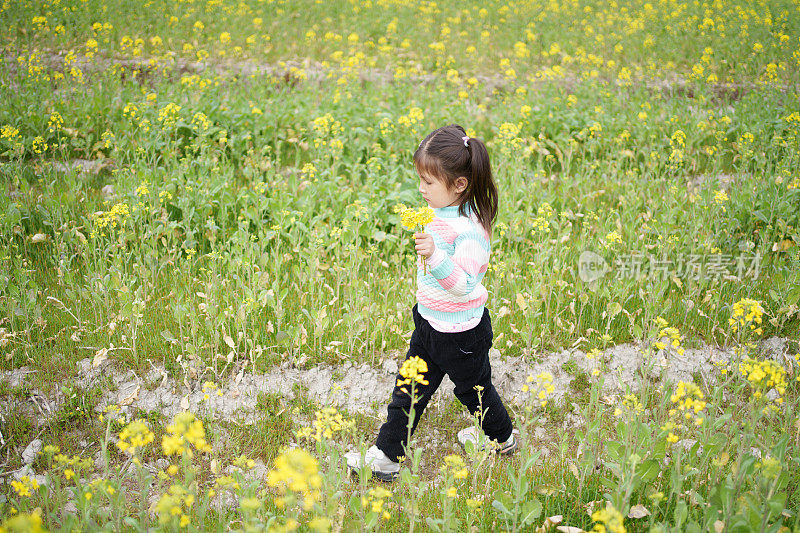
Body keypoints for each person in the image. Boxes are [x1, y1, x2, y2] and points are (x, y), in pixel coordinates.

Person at [344, 124, 516, 481]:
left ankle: (502, 438)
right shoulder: (439, 213)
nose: (420, 189)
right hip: (429, 324)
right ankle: (387, 458)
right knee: (408, 391)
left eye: (428, 182)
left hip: (462, 335)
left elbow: (465, 284)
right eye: (419, 179)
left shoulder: (471, 232)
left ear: (459, 185)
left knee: (475, 391)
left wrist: (436, 254)